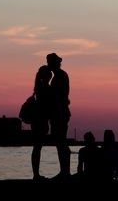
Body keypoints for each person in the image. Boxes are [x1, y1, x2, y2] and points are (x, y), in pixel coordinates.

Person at [46, 52, 71, 180]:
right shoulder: (58, 76)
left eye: (49, 62)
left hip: (60, 113)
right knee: (60, 142)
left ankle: (65, 172)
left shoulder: (60, 76)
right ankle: (64, 171)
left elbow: (60, 96)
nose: (48, 64)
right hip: (59, 113)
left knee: (61, 142)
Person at [31, 65, 52, 181]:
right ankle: (36, 175)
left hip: (37, 120)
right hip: (41, 120)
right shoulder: (44, 87)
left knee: (37, 147)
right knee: (37, 147)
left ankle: (36, 174)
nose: (50, 75)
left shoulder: (38, 87)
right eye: (49, 73)